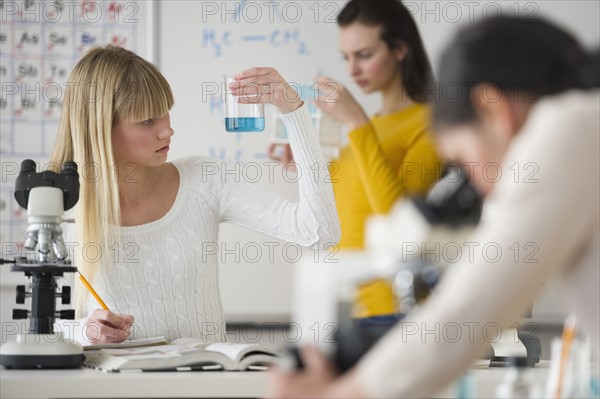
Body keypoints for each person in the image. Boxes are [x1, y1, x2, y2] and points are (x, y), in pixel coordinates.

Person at [267, 16, 599, 398]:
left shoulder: (568, 128)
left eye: (464, 160)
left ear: (495, 112)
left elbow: (465, 314)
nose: (482, 188)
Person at [50, 45, 340, 344]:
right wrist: (84, 330)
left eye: (165, 114)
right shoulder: (59, 207)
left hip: (206, 383)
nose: (167, 131)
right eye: (147, 121)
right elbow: (44, 330)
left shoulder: (204, 180)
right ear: (101, 129)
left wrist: (294, 111)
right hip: (116, 386)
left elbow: (320, 234)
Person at [270, 0, 442, 320]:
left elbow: (399, 223)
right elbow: (339, 214)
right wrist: (308, 164)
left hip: (393, 311)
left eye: (364, 55)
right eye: (346, 57)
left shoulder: (428, 123)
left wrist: (357, 123)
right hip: (343, 307)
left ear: (400, 50)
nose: (352, 70)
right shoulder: (365, 129)